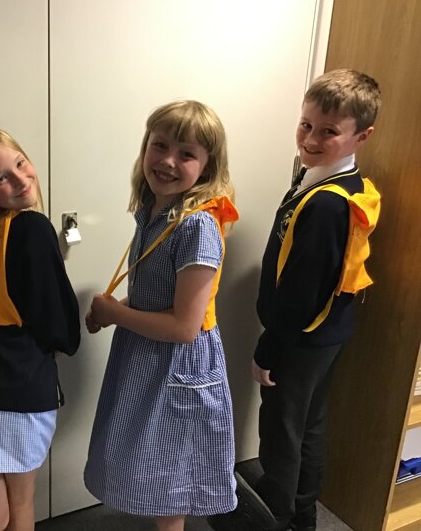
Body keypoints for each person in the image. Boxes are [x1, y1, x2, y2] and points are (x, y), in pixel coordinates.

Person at [211, 69, 382, 531]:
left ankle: (280, 517)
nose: (310, 138)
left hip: (302, 336)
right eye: (306, 124)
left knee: (282, 429)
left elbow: (303, 290)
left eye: (328, 131)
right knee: (308, 423)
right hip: (327, 330)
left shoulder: (327, 203)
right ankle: (303, 514)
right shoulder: (329, 178)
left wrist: (268, 348)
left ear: (361, 136)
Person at [84, 100, 239, 531]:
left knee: (171, 482)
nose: (168, 161)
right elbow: (158, 298)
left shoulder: (196, 227)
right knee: (150, 467)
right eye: (160, 145)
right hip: (146, 355)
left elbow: (184, 327)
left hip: (177, 362)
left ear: (207, 167)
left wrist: (116, 314)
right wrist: (115, 310)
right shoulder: (155, 212)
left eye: (186, 154)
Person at [0, 124, 80, 531]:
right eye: (1, 178)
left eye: (21, 164)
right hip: (18, 393)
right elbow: (58, 324)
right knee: (21, 509)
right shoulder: (30, 228)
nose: (22, 180)